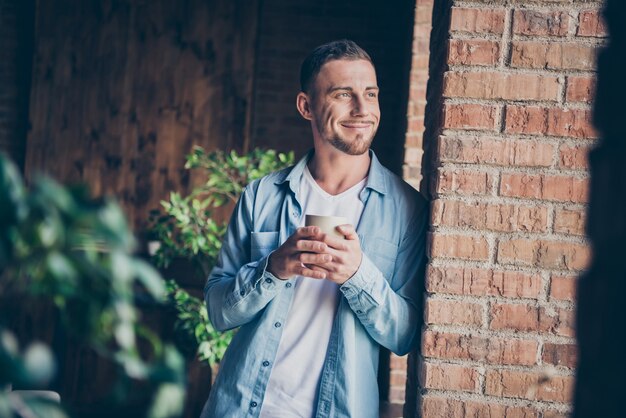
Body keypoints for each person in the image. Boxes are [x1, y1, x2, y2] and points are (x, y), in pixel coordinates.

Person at [200, 39, 428, 418]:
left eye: (370, 94)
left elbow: (404, 336)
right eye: (344, 94)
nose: (362, 109)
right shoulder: (261, 197)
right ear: (306, 106)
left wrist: (358, 275)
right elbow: (218, 312)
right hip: (241, 409)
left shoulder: (407, 210)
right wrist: (273, 268)